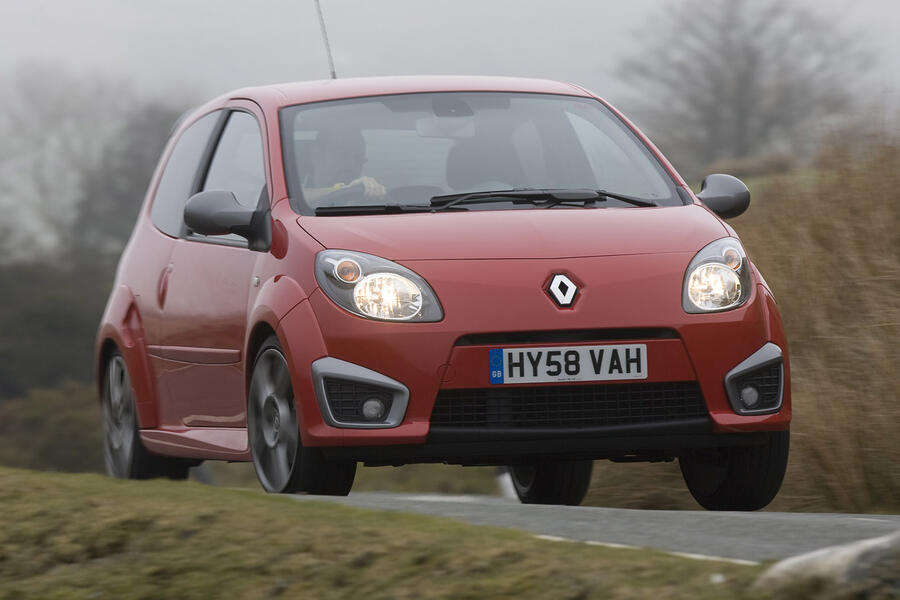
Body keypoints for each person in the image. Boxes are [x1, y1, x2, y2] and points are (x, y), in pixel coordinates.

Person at [303, 127, 386, 204]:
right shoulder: (293, 188)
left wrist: (375, 191)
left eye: (359, 158)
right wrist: (344, 189)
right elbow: (296, 198)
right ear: (316, 155)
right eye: (342, 154)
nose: (351, 164)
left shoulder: (371, 202)